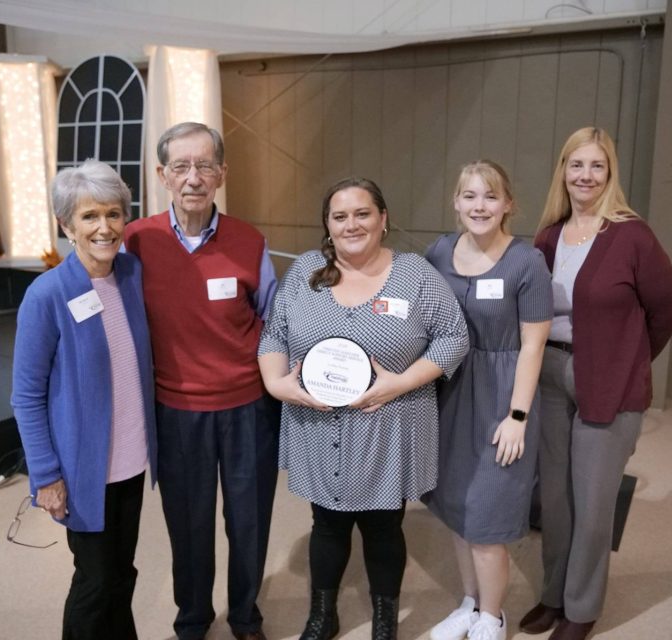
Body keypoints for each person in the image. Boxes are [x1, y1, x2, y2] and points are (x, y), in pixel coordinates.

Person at [258, 177, 469, 640]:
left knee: (383, 526)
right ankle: (322, 614)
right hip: (318, 424)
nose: (351, 224)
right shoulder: (307, 271)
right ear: (327, 226)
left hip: (389, 426)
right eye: (339, 216)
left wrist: (400, 383)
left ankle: (384, 619)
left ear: (383, 219)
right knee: (326, 524)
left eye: (362, 213)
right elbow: (274, 335)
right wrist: (276, 384)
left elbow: (455, 336)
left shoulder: (414, 274)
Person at [517, 127, 672, 640]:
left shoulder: (632, 235)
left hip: (609, 383)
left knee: (592, 507)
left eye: (597, 166)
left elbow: (667, 312)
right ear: (562, 171)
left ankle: (581, 609)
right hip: (549, 377)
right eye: (576, 165)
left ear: (610, 174)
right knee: (556, 502)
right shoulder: (548, 236)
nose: (585, 176)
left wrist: (628, 361)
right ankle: (553, 594)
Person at [122, 122, 279, 640]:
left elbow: (274, 324)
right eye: (182, 166)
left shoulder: (249, 241)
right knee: (187, 526)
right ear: (163, 175)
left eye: (205, 165)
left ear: (222, 174)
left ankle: (245, 615)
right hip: (176, 411)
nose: (194, 177)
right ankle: (192, 617)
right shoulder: (136, 242)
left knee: (249, 521)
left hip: (247, 408)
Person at [11, 160, 157, 640]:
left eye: (114, 214)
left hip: (131, 461)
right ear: (66, 224)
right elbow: (27, 396)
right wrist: (46, 475)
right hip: (82, 470)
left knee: (123, 572)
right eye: (90, 216)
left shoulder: (131, 273)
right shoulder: (47, 294)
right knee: (95, 581)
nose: (104, 227)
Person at [424, 160, 552, 640]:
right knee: (457, 510)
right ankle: (470, 603)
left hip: (502, 396)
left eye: (490, 196)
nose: (480, 206)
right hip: (449, 393)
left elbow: (534, 345)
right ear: (456, 202)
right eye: (470, 196)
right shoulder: (439, 251)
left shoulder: (526, 263)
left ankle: (492, 618)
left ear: (508, 205)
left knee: (488, 518)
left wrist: (517, 416)